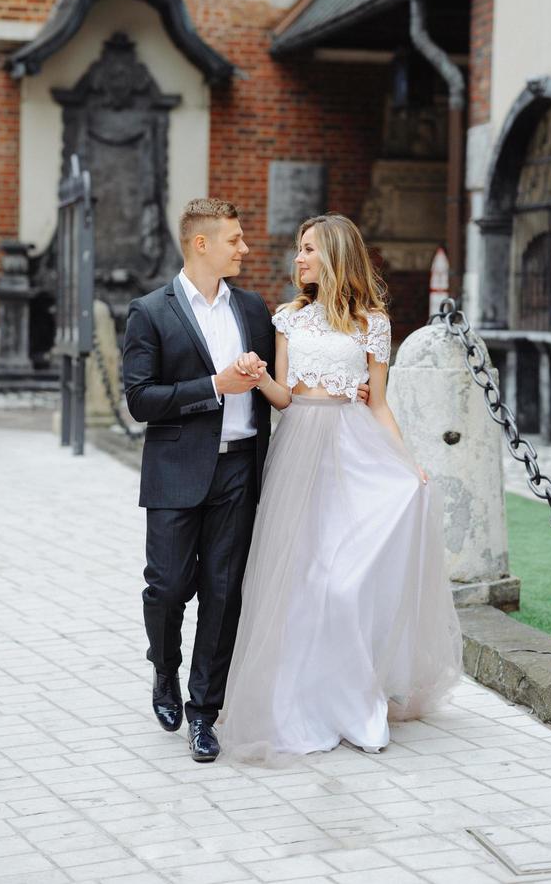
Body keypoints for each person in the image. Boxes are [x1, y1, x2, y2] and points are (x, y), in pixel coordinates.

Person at [122, 198, 371, 763]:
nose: (247, 248)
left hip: (241, 468)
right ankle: (165, 669)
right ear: (201, 244)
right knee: (166, 587)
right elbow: (140, 400)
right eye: (235, 239)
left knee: (224, 591)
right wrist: (214, 385)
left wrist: (345, 392)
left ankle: (204, 712)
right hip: (176, 472)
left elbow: (290, 383)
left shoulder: (257, 310)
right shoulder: (150, 312)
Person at [217, 213, 462, 764]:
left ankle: (354, 701)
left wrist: (408, 464)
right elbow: (283, 399)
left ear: (334, 254)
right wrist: (259, 378)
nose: (297, 258)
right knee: (300, 581)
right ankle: (299, 704)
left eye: (308, 249)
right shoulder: (288, 319)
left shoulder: (372, 323)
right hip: (300, 449)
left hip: (355, 453)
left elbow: (377, 404)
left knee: (346, 583)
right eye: (298, 250)